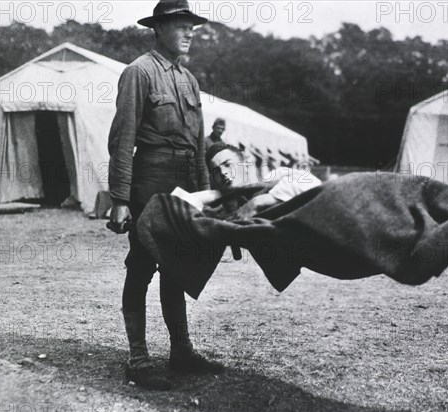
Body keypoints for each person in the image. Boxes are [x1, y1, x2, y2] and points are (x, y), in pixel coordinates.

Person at [107, 0, 221, 391]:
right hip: (150, 180)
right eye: (179, 25)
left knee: (178, 264)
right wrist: (120, 199)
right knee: (142, 265)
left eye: (192, 25)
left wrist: (207, 196)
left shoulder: (189, 80)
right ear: (158, 28)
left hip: (187, 181)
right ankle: (138, 360)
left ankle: (181, 352)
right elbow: (122, 141)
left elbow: (200, 145)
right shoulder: (138, 72)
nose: (189, 32)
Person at [171, 142, 322, 220]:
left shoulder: (275, 176)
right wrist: (215, 195)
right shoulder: (225, 201)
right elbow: (177, 202)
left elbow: (313, 185)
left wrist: (259, 201)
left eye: (228, 165)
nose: (223, 173)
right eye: (216, 171)